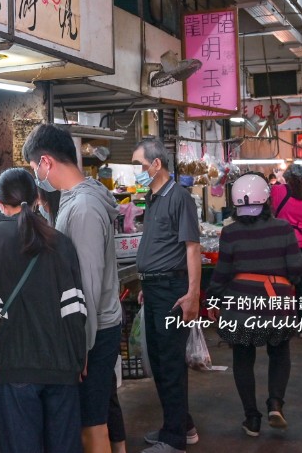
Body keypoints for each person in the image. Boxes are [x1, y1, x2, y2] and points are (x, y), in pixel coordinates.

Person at [0, 167, 87, 453]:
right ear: (37, 198)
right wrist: (78, 358)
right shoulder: (60, 242)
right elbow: (75, 309)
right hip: (62, 368)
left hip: (15, 369)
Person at [22, 123, 125, 453]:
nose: (35, 175)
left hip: (92, 332)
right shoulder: (75, 197)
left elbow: (88, 284)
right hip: (93, 329)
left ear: (46, 162)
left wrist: (81, 347)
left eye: (33, 167)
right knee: (100, 412)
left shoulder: (83, 209)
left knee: (90, 425)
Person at [206, 173, 302, 437]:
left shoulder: (230, 232)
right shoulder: (283, 228)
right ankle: (275, 404)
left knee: (243, 357)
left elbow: (222, 273)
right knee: (280, 351)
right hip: (278, 304)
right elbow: (297, 268)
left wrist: (213, 301)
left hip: (241, 305)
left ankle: (252, 418)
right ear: (267, 200)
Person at [131, 136, 201, 453]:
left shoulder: (179, 198)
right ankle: (180, 425)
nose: (137, 171)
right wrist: (147, 284)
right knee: (159, 362)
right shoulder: (154, 196)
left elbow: (192, 248)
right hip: (156, 289)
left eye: (140, 165)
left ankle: (175, 439)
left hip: (173, 291)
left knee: (171, 364)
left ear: (156, 164)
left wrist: (192, 294)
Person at [270, 163, 302, 337]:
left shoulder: (277, 191)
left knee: (281, 284)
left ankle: (282, 322)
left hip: (283, 244)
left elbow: (269, 212)